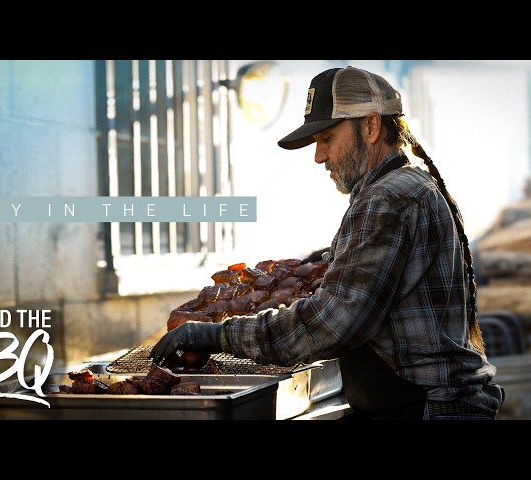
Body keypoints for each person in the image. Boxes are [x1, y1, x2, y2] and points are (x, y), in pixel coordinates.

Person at [150, 65, 505, 420]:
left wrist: (220, 336)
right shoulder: (409, 186)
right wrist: (319, 261)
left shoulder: (387, 199)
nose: (319, 157)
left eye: (327, 139)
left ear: (370, 126)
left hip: (429, 409)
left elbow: (332, 324)